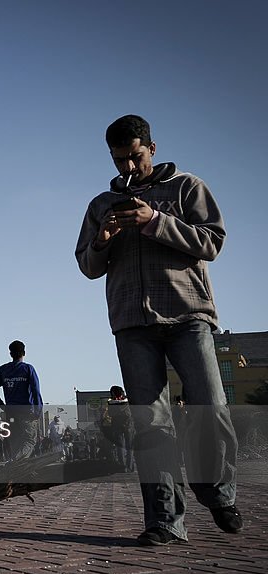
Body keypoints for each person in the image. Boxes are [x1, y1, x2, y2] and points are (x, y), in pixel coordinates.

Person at [75, 114, 242, 546]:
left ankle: (217, 492)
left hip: (188, 315)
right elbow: (88, 268)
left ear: (151, 147)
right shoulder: (100, 205)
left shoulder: (187, 188)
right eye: (118, 161)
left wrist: (154, 220)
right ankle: (165, 521)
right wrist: (103, 239)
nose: (127, 169)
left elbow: (212, 242)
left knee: (210, 404)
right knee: (151, 424)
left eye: (134, 158)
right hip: (132, 323)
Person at [0, 340, 42, 461]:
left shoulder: (4, 370)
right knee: (29, 440)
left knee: (15, 441)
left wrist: (1, 405)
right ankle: (15, 462)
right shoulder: (28, 369)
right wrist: (38, 411)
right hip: (27, 413)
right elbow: (36, 390)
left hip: (11, 413)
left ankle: (16, 466)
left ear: (10, 354)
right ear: (24, 353)